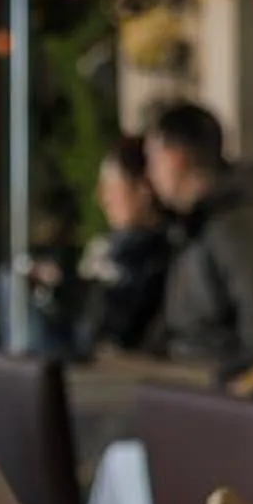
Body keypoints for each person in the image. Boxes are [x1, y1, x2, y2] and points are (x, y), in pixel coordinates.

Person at [143, 102, 253, 387]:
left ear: (176, 157)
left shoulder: (233, 228)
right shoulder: (192, 227)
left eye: (153, 159)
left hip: (221, 391)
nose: (150, 175)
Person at [81, 135, 176, 356]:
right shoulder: (109, 249)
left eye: (112, 187)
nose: (102, 199)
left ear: (143, 189)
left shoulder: (168, 255)